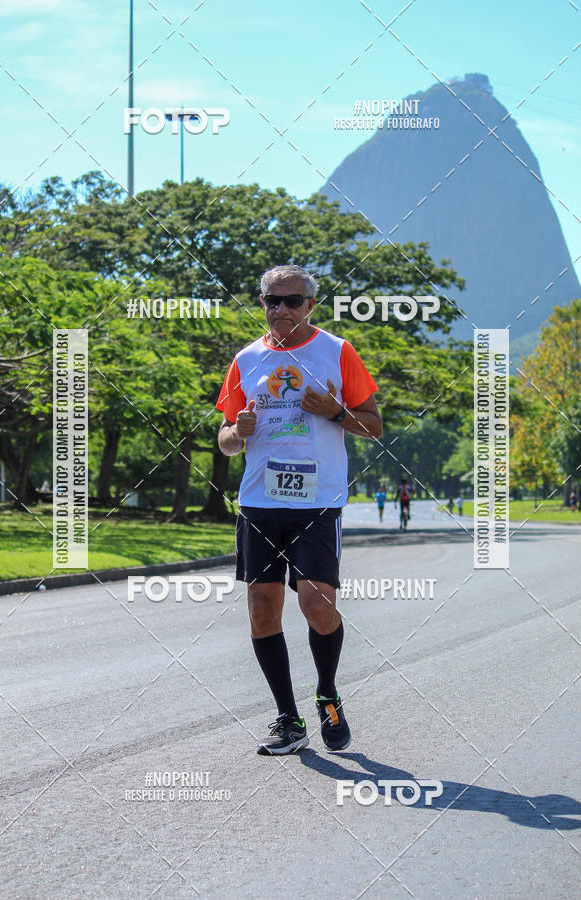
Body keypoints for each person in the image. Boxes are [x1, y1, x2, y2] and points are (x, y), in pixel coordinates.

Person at [216, 264, 382, 755]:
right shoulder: (245, 360)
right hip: (259, 502)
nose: (281, 309)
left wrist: (333, 411)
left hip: (316, 503)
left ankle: (327, 693)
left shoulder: (336, 352)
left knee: (317, 605)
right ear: (262, 303)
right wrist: (236, 434)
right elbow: (225, 439)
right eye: (272, 300)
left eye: (292, 300)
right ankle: (288, 720)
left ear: (311, 304)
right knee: (263, 612)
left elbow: (373, 425)